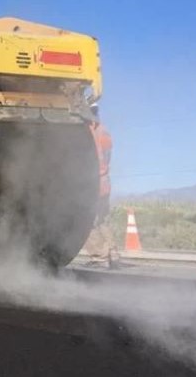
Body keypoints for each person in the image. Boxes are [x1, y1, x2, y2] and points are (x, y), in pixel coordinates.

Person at [82, 103, 122, 269]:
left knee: (87, 220)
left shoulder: (85, 131)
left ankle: (99, 257)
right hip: (105, 180)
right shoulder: (103, 131)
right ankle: (113, 253)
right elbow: (107, 156)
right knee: (102, 219)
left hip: (93, 182)